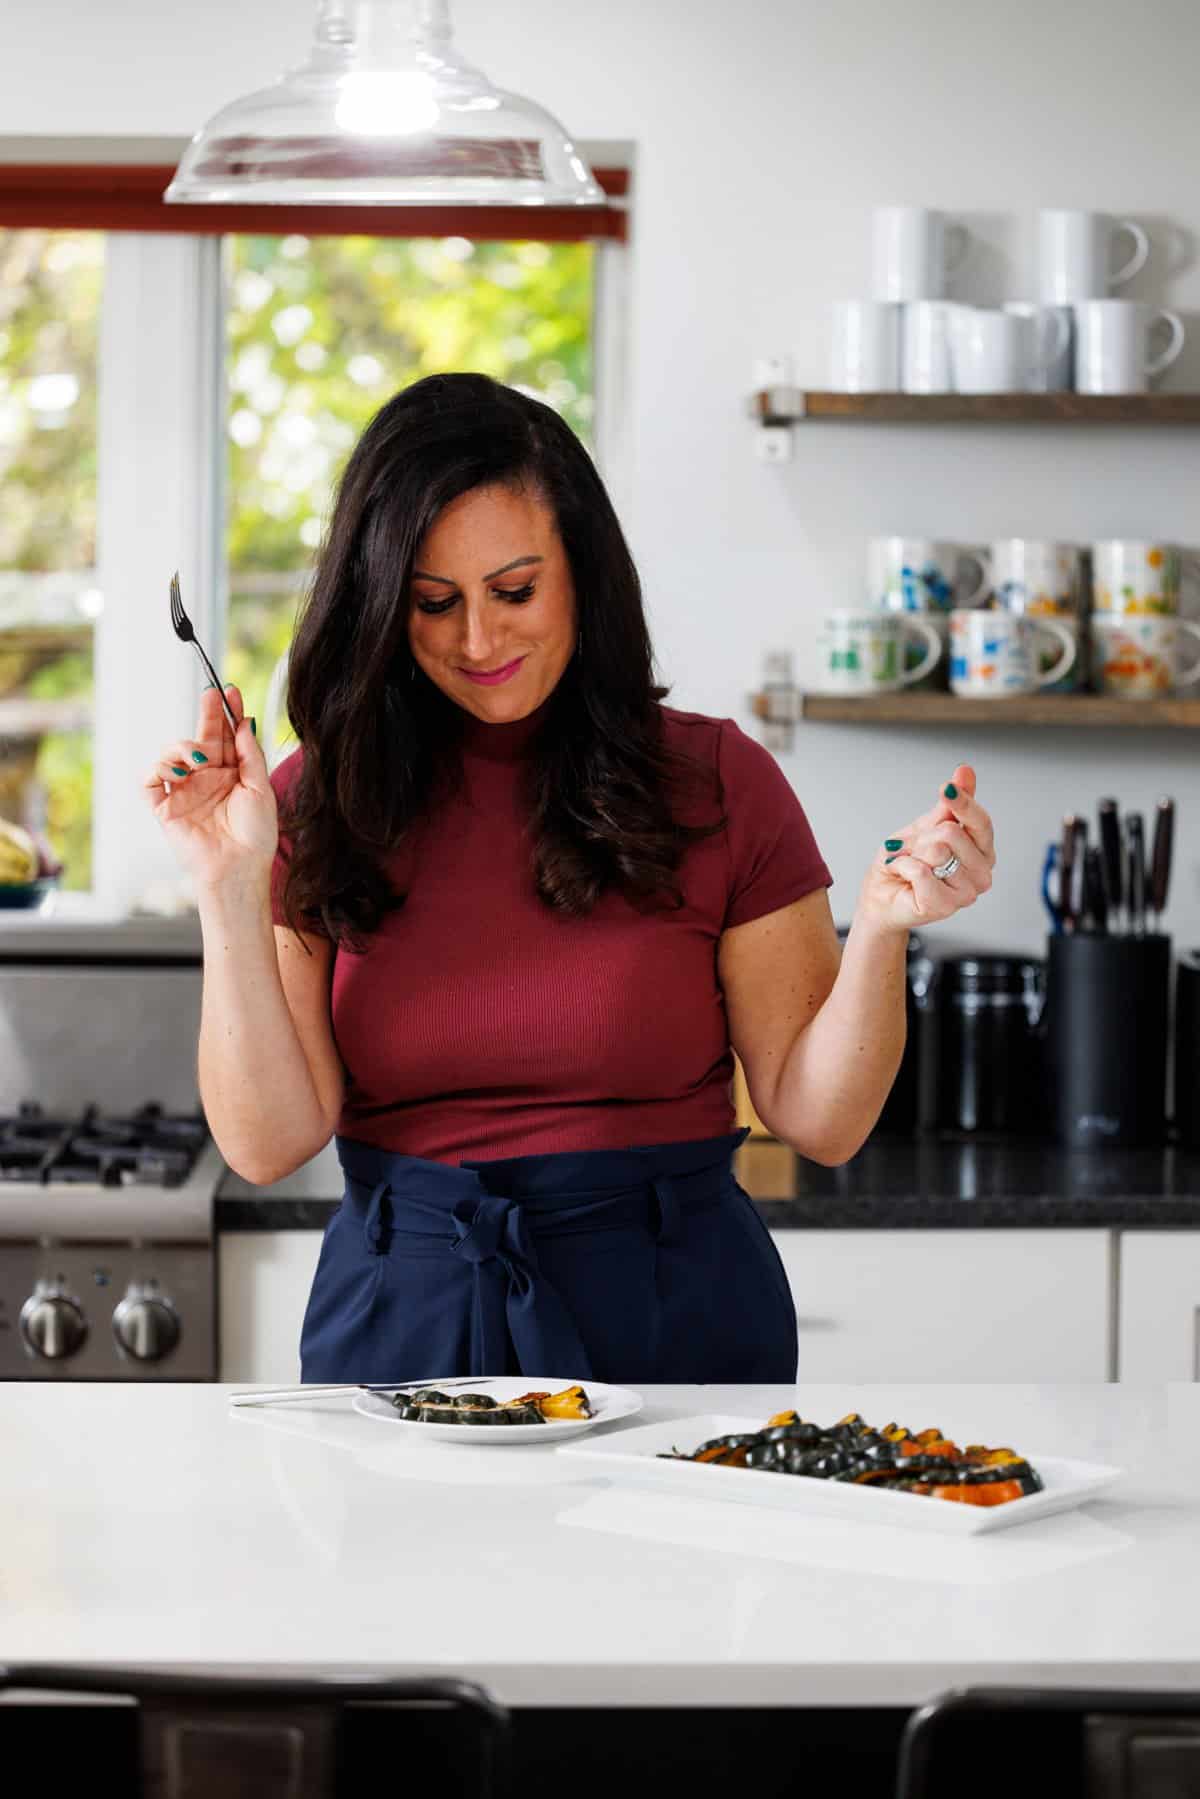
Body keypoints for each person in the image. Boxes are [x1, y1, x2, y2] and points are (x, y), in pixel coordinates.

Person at [143, 372, 995, 1385]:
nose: (478, 640)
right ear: (379, 602)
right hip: (404, 1326)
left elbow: (823, 1118)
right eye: (433, 603)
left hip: (673, 1320)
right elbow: (269, 1142)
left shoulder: (720, 783)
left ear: (582, 572)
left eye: (514, 591)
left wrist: (887, 928)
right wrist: (230, 886)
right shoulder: (317, 801)